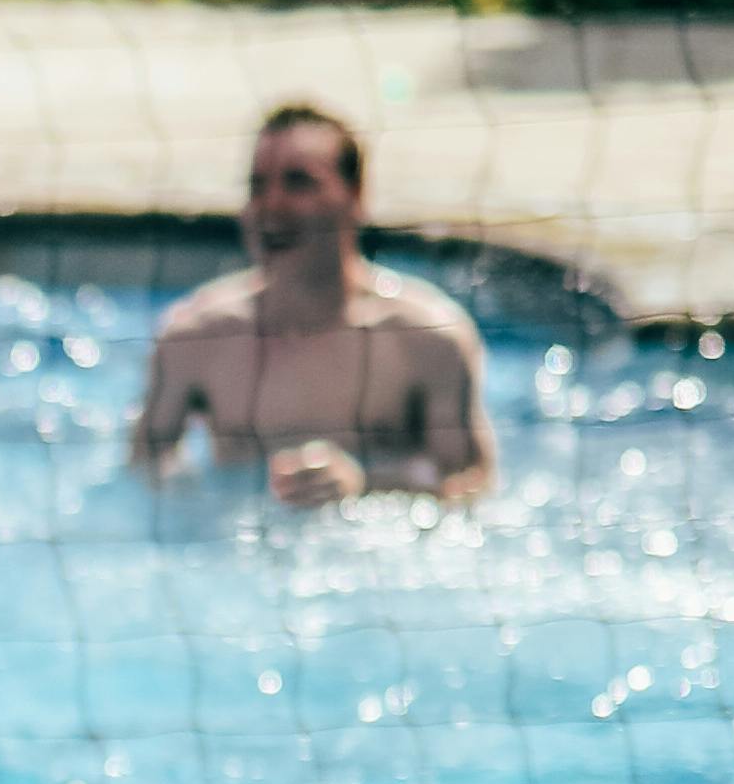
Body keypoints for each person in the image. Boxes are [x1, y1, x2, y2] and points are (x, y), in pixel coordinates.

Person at [128, 105, 493, 509]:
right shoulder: (193, 339)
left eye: (298, 183)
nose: (272, 207)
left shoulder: (427, 339)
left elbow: (473, 487)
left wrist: (367, 485)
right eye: (257, 186)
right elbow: (139, 480)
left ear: (355, 197)